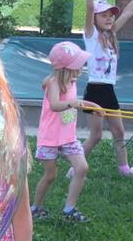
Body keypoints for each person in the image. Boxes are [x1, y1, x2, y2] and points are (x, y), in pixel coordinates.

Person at [81, 0, 133, 180]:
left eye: (111, 15)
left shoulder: (111, 36)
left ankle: (124, 169)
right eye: (104, 15)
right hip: (94, 90)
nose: (109, 18)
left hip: (108, 90)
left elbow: (129, 13)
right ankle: (75, 167)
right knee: (95, 136)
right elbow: (88, 8)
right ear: (94, 18)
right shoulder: (91, 35)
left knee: (119, 132)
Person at [33, 41, 98, 223]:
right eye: (78, 64)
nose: (82, 67)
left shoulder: (72, 82)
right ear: (66, 68)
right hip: (50, 138)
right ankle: (35, 207)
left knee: (82, 168)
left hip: (68, 138)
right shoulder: (53, 83)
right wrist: (73, 104)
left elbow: (75, 101)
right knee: (50, 175)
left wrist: (93, 106)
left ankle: (69, 209)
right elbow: (55, 105)